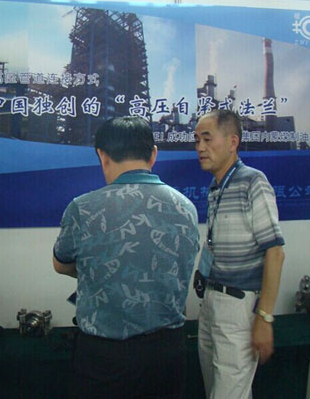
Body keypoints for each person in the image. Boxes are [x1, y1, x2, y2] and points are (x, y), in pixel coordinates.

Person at [53, 116, 200, 399]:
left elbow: (60, 263)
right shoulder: (186, 208)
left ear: (102, 155)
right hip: (167, 355)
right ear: (153, 154)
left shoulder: (83, 208)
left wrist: (101, 267)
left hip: (104, 359)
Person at [193, 109, 285, 399]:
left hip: (237, 306)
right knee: (215, 389)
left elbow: (275, 252)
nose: (200, 147)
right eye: (196, 140)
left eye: (207, 139)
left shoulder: (253, 182)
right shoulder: (216, 186)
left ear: (232, 142)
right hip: (211, 301)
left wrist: (264, 318)